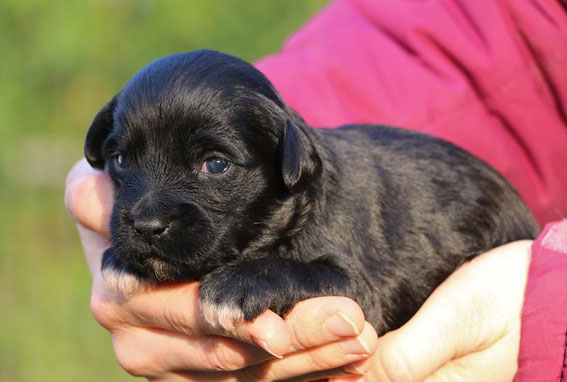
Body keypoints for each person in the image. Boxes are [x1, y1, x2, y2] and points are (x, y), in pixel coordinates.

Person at [66, 0, 567, 380]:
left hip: (496, 279)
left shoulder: (327, 210)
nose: (148, 213)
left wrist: (547, 313)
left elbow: (350, 290)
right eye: (124, 159)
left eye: (214, 164)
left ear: (289, 165)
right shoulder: (275, 146)